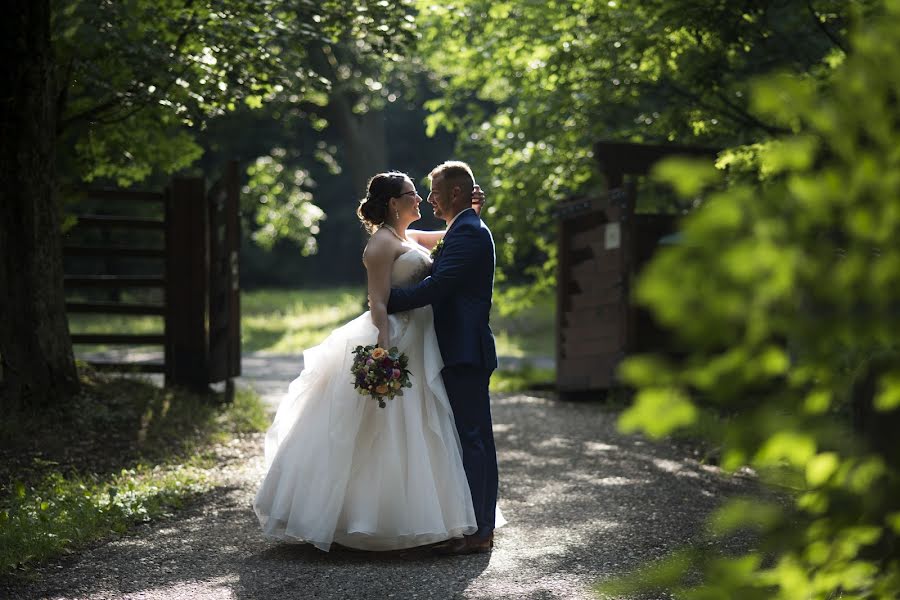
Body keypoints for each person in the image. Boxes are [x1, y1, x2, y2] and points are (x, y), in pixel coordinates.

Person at [253, 169, 495, 552]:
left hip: (425, 340)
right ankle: (370, 516)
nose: (422, 199)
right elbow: (378, 301)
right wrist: (384, 352)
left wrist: (473, 207)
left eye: (426, 192)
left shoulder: (408, 236)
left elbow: (452, 242)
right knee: (388, 429)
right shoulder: (380, 244)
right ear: (394, 203)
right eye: (414, 193)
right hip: (398, 339)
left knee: (431, 428)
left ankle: (456, 520)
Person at [387, 160, 499, 555]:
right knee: (467, 438)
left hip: (464, 350)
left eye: (434, 191)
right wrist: (392, 230)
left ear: (454, 193)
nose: (429, 198)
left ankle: (481, 530)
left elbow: (438, 286)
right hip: (454, 348)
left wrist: (384, 302)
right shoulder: (462, 228)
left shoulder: (468, 234)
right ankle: (472, 524)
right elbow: (410, 237)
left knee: (474, 439)